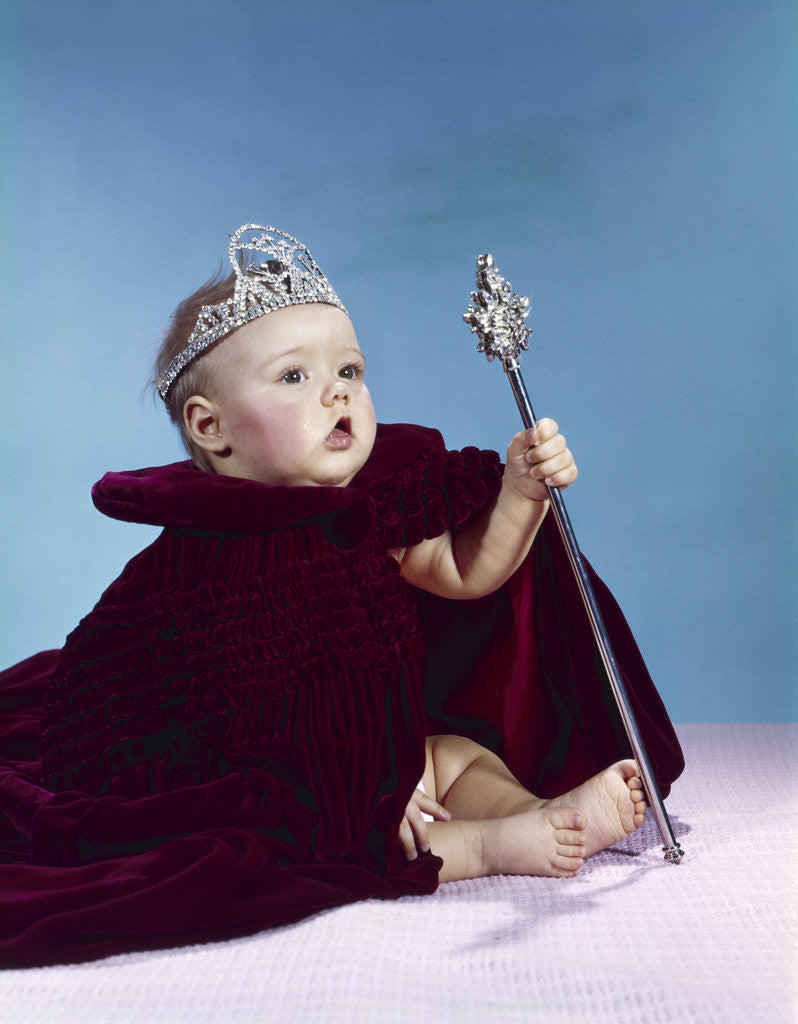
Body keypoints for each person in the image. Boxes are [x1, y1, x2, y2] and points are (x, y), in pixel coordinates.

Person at [0, 225, 683, 965]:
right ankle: (483, 846)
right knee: (325, 831)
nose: (338, 392)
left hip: (377, 746)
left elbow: (465, 574)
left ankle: (540, 816)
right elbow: (167, 705)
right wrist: (355, 781)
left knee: (454, 755)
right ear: (212, 427)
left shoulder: (372, 510)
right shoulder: (190, 566)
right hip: (260, 769)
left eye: (351, 370)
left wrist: (522, 493)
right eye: (295, 377)